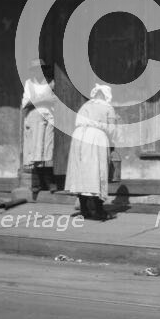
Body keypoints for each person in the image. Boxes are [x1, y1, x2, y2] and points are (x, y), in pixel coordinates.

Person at [65, 84, 116, 220]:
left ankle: (84, 210)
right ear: (107, 95)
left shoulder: (85, 106)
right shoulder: (108, 107)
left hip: (78, 137)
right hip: (96, 138)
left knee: (81, 171)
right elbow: (111, 130)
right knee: (98, 171)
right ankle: (99, 210)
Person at [21, 59, 57, 192]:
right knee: (35, 150)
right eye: (36, 69)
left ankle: (50, 182)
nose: (39, 71)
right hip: (34, 118)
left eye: (41, 68)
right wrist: (43, 100)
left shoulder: (51, 83)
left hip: (48, 118)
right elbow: (26, 103)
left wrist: (47, 101)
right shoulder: (29, 84)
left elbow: (56, 100)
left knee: (47, 149)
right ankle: (37, 183)